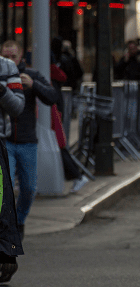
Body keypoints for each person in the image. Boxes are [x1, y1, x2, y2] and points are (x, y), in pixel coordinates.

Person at [2, 40, 61, 239]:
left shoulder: (30, 75)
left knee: (28, 188)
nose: (10, 60)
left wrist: (33, 85)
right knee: (6, 186)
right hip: (5, 141)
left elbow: (52, 97)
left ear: (21, 57)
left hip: (27, 140)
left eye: (13, 56)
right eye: (5, 57)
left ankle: (19, 220)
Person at [0, 45, 27, 284]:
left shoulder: (6, 67)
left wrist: (1, 90)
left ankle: (6, 253)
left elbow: (17, 107)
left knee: (2, 204)